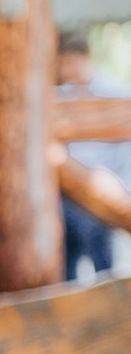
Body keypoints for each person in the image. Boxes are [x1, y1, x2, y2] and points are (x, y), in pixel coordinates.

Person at [55, 32, 131, 281]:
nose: (68, 70)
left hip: (107, 190)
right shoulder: (58, 98)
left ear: (87, 58)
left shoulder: (116, 94)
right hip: (69, 193)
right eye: (63, 64)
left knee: (100, 254)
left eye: (71, 62)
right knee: (67, 248)